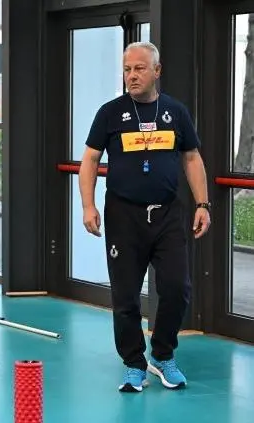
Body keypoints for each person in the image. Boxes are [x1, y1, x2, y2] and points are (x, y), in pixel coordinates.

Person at [78, 41, 211, 393]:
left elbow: (192, 158)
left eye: (139, 68)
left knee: (177, 288)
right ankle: (134, 364)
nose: (132, 76)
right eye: (127, 69)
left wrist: (203, 204)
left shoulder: (176, 112)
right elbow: (90, 160)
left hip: (167, 214)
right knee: (126, 296)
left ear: (157, 70)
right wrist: (88, 206)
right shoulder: (110, 113)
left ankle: (163, 355)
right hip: (123, 215)